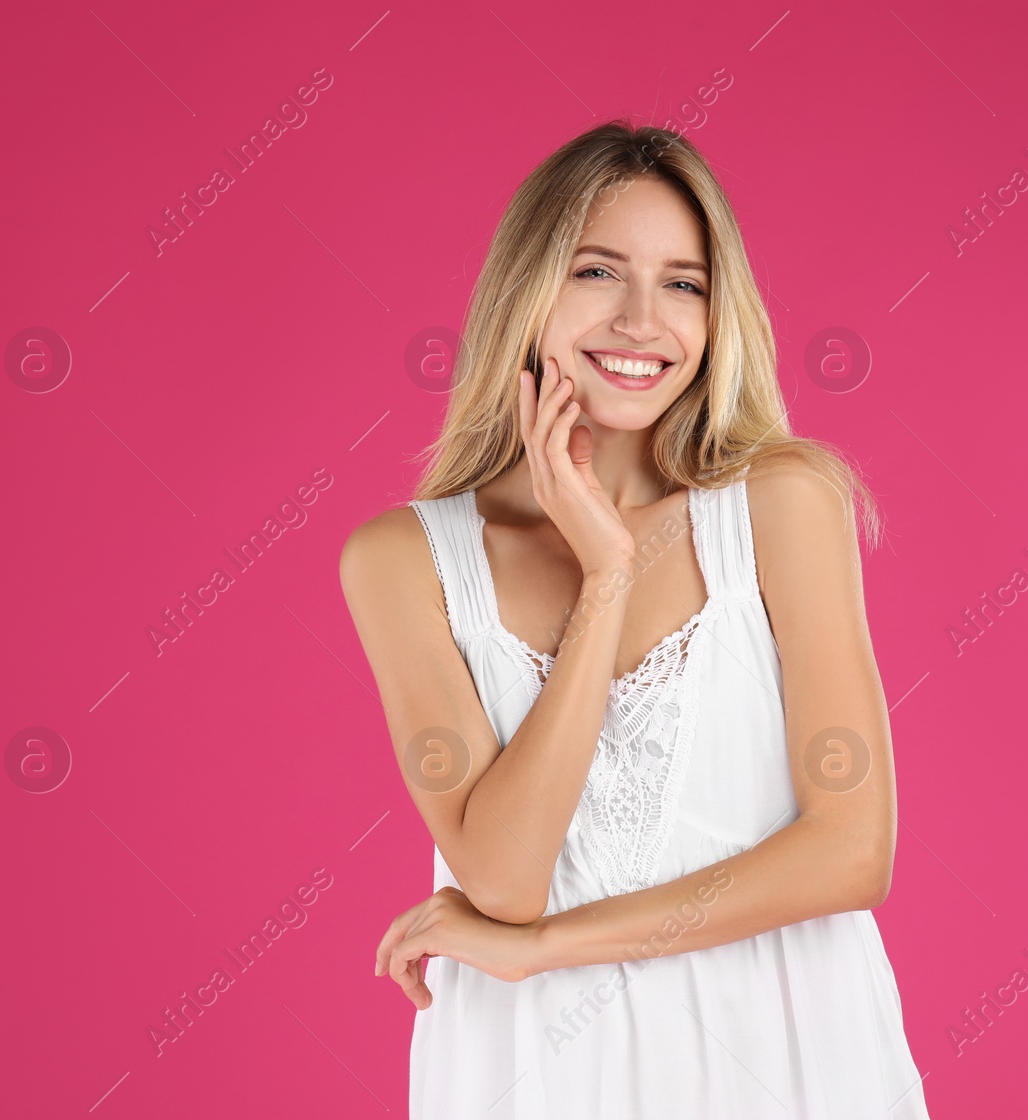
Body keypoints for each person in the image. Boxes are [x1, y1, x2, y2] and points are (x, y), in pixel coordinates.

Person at [339, 119, 932, 1119]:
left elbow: (850, 851)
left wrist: (543, 951)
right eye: (599, 272)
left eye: (684, 283)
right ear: (528, 289)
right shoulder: (404, 561)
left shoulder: (784, 503)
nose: (641, 321)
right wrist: (606, 574)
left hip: (786, 1052)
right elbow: (504, 877)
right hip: (533, 1073)